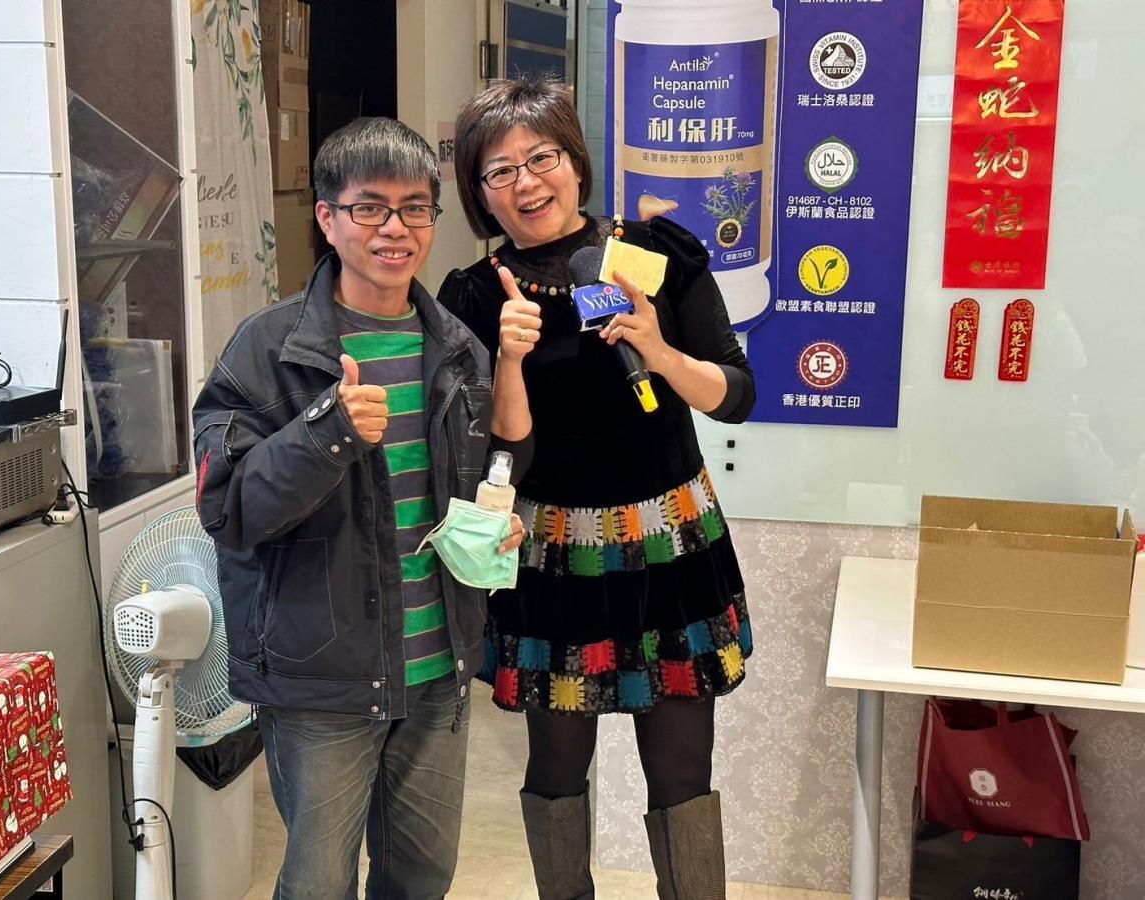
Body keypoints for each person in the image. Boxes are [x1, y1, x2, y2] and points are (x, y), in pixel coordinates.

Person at [439, 76, 756, 900]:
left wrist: (660, 350)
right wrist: (509, 359)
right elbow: (499, 457)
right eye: (499, 170)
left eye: (541, 157)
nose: (526, 182)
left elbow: (736, 395)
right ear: (479, 194)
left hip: (670, 541)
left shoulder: (652, 256)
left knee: (682, 768)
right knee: (556, 765)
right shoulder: (473, 297)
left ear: (575, 162)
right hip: (557, 555)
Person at [192, 117, 526, 899]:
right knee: (318, 883)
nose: (394, 229)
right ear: (328, 217)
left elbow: (471, 479)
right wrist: (327, 432)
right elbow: (228, 509)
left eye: (414, 209)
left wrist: (492, 524)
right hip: (321, 674)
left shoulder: (458, 349)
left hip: (437, 663)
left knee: (422, 877)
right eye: (370, 207)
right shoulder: (266, 351)